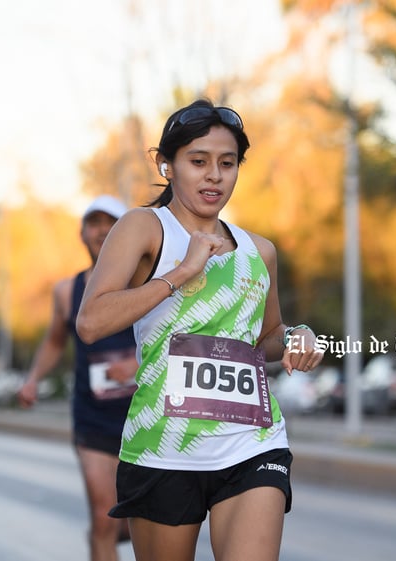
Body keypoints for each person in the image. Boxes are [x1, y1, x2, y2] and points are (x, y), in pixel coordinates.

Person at [75, 99, 323, 561]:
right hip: (164, 448)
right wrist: (179, 273)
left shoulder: (259, 250)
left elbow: (267, 336)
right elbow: (91, 322)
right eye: (198, 162)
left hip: (250, 442)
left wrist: (296, 336)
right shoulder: (144, 228)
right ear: (166, 165)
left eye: (227, 164)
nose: (214, 176)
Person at [18, 194, 138, 561]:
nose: (101, 231)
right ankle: (102, 539)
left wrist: (137, 362)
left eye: (110, 223)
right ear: (82, 233)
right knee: (103, 517)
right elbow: (55, 341)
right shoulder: (67, 291)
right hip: (92, 416)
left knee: (135, 522)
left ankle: (112, 536)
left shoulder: (149, 283)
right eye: (93, 223)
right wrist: (33, 378)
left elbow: (177, 337)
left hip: (144, 416)